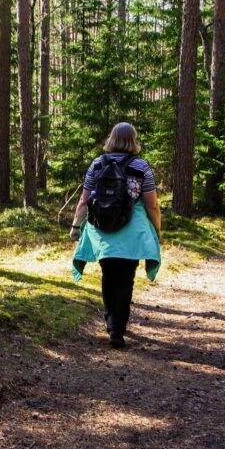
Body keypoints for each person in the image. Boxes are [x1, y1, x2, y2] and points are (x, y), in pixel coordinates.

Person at [69, 122, 162, 348]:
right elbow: (152, 205)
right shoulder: (141, 166)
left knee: (108, 275)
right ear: (133, 140)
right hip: (132, 232)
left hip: (102, 229)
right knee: (125, 278)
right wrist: (157, 231)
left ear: (111, 139)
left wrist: (76, 226)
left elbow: (84, 200)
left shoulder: (98, 164)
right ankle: (117, 329)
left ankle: (111, 324)